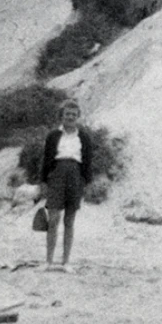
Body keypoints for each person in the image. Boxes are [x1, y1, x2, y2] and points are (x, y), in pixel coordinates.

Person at [39, 99, 94, 272]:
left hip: (76, 176)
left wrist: (87, 182)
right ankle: (48, 261)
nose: (70, 117)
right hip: (56, 175)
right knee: (53, 219)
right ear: (61, 116)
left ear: (78, 117)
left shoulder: (83, 137)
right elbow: (46, 159)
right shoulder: (53, 136)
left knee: (69, 220)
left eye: (73, 114)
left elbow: (87, 162)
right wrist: (43, 181)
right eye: (67, 114)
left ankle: (66, 262)